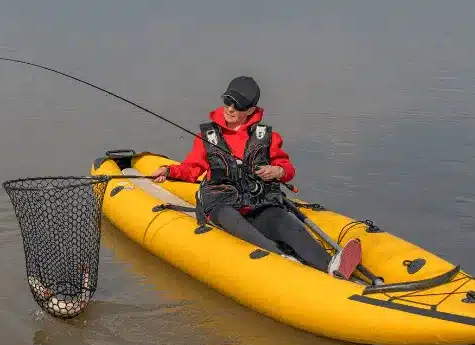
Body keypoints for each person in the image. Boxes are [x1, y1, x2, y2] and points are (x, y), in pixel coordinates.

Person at [151, 76, 362, 278]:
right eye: (228, 101)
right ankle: (283, 260)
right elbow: (191, 169)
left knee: (286, 223)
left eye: (239, 105)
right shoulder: (207, 136)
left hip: (257, 203)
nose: (231, 108)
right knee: (235, 221)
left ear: (251, 110)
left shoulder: (267, 137)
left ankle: (331, 266)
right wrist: (168, 171)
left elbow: (286, 168)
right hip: (220, 204)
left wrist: (277, 171)